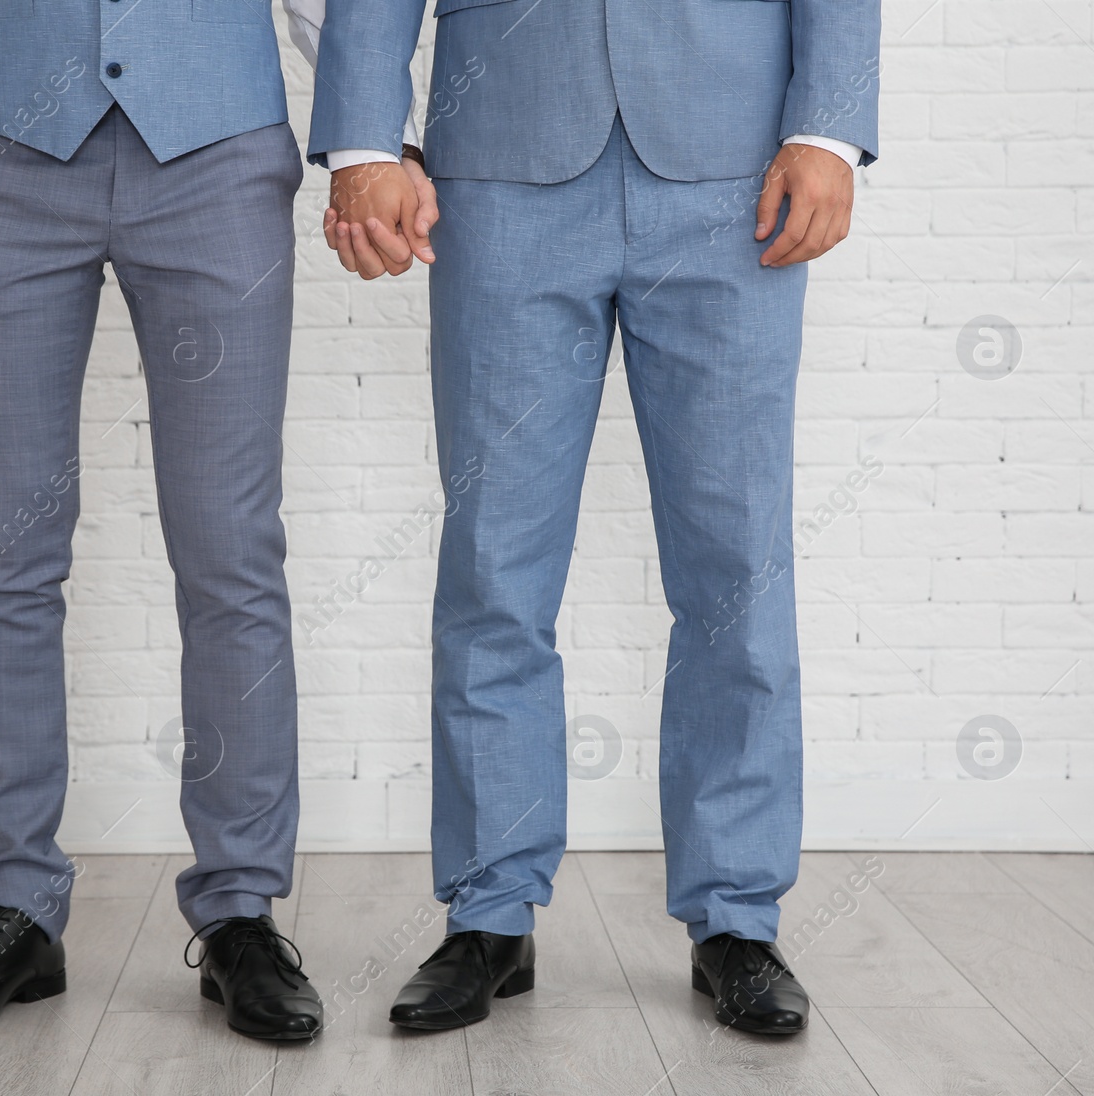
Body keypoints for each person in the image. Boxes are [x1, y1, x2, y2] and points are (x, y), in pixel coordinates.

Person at [0, 0, 430, 1043]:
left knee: (230, 550)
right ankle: (14, 910)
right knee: (2, 555)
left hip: (216, 155)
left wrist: (370, 142)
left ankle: (239, 908)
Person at [312, 0, 880, 1035]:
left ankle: (737, 917)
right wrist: (359, 138)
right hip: (501, 164)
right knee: (494, 566)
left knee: (734, 569)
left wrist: (828, 129)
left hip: (737, 170)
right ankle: (489, 912)